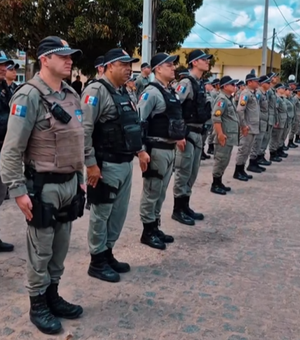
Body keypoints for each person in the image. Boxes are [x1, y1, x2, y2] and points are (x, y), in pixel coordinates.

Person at [0, 36, 85, 334]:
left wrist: (81, 181)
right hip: (43, 187)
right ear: (44, 59)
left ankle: (53, 295)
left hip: (69, 184)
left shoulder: (72, 95)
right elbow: (11, 150)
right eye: (62, 56)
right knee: (41, 250)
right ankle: (37, 304)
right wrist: (18, 191)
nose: (69, 60)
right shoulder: (28, 96)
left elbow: (78, 141)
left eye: (71, 55)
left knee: (60, 248)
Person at [82, 48, 148, 283]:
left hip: (124, 162)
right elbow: (84, 130)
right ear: (109, 66)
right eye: (123, 64)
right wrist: (90, 164)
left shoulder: (123, 92)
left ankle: (108, 252)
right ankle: (96, 261)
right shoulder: (95, 91)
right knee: (101, 213)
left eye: (130, 64)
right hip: (105, 164)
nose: (129, 68)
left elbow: (130, 126)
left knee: (118, 214)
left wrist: (139, 151)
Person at [138, 52, 186, 250]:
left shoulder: (170, 91)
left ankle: (155, 226)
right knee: (152, 191)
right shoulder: (151, 92)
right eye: (169, 65)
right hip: (156, 149)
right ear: (158, 69)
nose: (173, 68)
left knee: (161, 192)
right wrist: (141, 151)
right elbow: (138, 121)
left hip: (169, 148)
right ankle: (147, 231)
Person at [172, 49, 212, 226]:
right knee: (183, 171)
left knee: (193, 172)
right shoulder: (186, 83)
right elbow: (174, 107)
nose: (207, 62)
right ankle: (177, 209)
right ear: (194, 62)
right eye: (204, 60)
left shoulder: (199, 83)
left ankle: (185, 205)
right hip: (187, 133)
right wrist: (178, 134)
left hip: (197, 133)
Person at [210, 76, 239, 195]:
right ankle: (215, 184)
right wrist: (220, 134)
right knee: (220, 159)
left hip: (229, 136)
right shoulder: (222, 99)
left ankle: (219, 181)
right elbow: (216, 117)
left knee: (225, 160)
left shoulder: (228, 99)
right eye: (232, 84)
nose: (234, 86)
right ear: (225, 86)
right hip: (223, 136)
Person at [233, 73, 260, 181]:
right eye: (255, 81)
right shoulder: (245, 93)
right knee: (243, 149)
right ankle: (237, 171)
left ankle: (242, 169)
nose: (257, 82)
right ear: (249, 82)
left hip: (253, 127)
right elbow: (240, 110)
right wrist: (243, 125)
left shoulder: (253, 93)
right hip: (247, 127)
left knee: (247, 150)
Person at [0, 50, 14, 252]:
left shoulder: (4, 88)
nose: (3, 68)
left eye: (4, 64)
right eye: (0, 64)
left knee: (0, 194)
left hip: (2, 147)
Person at [248, 75, 271, 171]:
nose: (269, 85)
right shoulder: (258, 94)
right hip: (259, 121)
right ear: (263, 83)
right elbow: (256, 108)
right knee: (257, 142)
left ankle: (256, 161)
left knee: (261, 141)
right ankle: (252, 163)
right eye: (268, 83)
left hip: (264, 121)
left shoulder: (264, 93)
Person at [259, 72, 280, 163]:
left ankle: (261, 156)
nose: (276, 79)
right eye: (274, 77)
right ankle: (259, 156)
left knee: (266, 138)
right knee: (263, 138)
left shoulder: (271, 90)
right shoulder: (268, 91)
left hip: (271, 116)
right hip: (266, 117)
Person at [269, 83, 288, 161]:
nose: (284, 89)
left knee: (279, 138)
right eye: (282, 88)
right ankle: (272, 154)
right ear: (277, 89)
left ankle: (276, 152)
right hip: (279, 121)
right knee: (275, 138)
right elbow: (275, 110)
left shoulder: (282, 98)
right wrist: (276, 121)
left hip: (283, 120)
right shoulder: (277, 98)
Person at [281, 86, 295, 151]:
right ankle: (279, 148)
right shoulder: (282, 99)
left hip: (288, 118)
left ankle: (281, 146)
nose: (290, 92)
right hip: (284, 119)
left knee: (285, 134)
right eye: (288, 90)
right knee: (281, 134)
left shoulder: (289, 98)